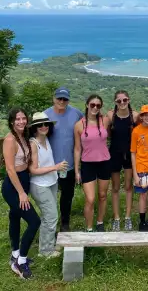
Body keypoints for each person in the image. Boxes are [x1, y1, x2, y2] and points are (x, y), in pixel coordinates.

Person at [2, 108, 40, 280]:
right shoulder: (10, 140)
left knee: (14, 217)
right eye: (17, 119)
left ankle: (15, 253)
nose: (21, 122)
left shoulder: (23, 137)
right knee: (34, 221)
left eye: (24, 118)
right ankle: (21, 261)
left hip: (23, 179)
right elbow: (10, 169)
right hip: (13, 186)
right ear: (11, 121)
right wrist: (21, 193)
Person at [28, 112, 69, 257]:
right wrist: (55, 168)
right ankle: (46, 251)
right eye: (40, 125)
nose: (44, 127)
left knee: (48, 216)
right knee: (51, 216)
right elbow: (33, 169)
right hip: (39, 185)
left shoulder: (46, 140)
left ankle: (47, 245)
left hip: (51, 182)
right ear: (34, 128)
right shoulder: (34, 144)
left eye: (46, 124)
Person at [44, 87, 83, 232]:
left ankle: (65, 223)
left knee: (67, 196)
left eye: (64, 99)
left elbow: (88, 125)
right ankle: (49, 225)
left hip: (69, 165)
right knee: (50, 197)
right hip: (50, 165)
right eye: (59, 98)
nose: (61, 101)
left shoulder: (76, 113)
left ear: (68, 100)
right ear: (53, 98)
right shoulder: (45, 115)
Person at [74, 94, 111, 232]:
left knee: (102, 195)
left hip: (104, 162)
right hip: (87, 164)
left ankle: (100, 223)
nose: (95, 107)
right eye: (92, 105)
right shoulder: (79, 125)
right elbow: (77, 149)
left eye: (98, 105)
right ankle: (89, 228)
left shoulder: (105, 121)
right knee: (90, 198)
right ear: (87, 105)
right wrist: (77, 170)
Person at [107, 90, 138, 231]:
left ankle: (128, 217)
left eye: (125, 100)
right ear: (115, 102)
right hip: (114, 154)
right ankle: (116, 218)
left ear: (129, 100)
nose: (122, 103)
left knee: (128, 187)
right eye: (119, 101)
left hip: (130, 155)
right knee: (115, 188)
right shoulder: (110, 116)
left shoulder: (135, 117)